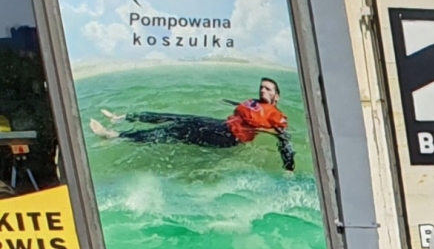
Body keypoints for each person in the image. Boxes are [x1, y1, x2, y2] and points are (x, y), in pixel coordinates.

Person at [89, 76, 294, 171]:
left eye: (268, 89)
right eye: (261, 88)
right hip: (220, 125)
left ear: (277, 96)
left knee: (175, 131)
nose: (262, 91)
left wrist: (289, 169)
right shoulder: (254, 103)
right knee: (177, 117)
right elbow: (243, 111)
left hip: (227, 137)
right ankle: (123, 117)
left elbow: (285, 141)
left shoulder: (277, 115)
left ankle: (116, 136)